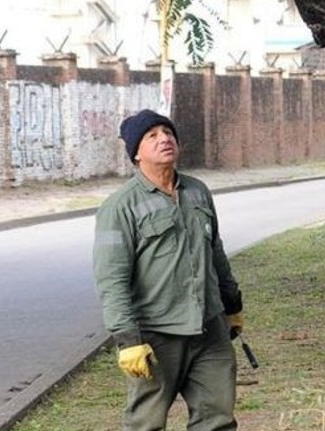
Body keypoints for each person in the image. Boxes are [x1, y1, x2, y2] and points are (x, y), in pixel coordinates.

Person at [93, 109, 246, 431]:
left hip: (210, 329)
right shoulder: (119, 207)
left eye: (168, 132)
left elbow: (215, 250)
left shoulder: (197, 191)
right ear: (136, 153)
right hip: (157, 334)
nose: (164, 139)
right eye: (152, 136)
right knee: (145, 424)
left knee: (218, 418)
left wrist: (232, 305)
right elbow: (112, 278)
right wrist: (127, 339)